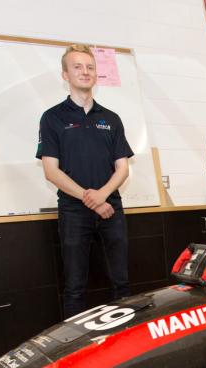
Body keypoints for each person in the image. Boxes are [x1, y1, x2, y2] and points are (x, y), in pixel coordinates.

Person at [36, 44, 133, 318]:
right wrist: (90, 199)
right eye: (77, 67)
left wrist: (102, 195)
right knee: (75, 286)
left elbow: (123, 169)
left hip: (111, 208)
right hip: (74, 211)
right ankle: (74, 350)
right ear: (65, 75)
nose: (85, 72)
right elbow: (51, 171)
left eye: (90, 67)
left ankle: (124, 342)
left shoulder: (111, 119)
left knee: (121, 282)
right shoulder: (52, 118)